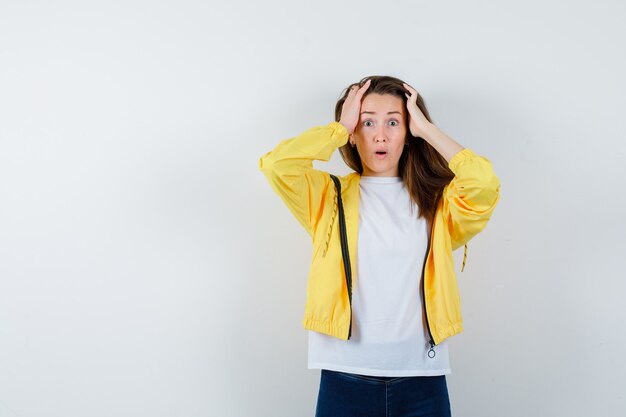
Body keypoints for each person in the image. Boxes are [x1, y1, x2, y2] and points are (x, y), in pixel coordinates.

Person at [258, 75, 501, 417]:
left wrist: (428, 130)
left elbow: (484, 185)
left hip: (422, 379)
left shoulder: (437, 203)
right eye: (367, 122)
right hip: (344, 377)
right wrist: (340, 128)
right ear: (355, 134)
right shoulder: (329, 198)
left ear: (409, 132)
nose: (380, 134)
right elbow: (276, 165)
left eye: (393, 122)